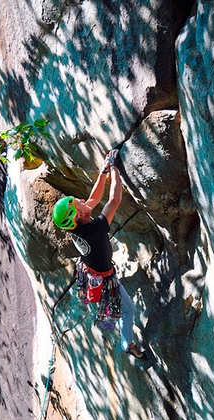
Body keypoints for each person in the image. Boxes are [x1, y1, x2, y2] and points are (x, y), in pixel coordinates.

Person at [51, 149, 144, 359]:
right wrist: (114, 168)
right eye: (78, 201)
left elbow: (93, 198)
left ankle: (113, 314)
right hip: (104, 276)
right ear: (80, 214)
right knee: (129, 310)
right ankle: (127, 344)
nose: (82, 199)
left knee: (115, 302)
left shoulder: (75, 225)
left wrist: (103, 172)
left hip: (90, 271)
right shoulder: (94, 230)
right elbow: (115, 199)